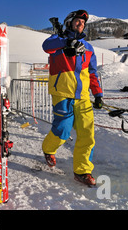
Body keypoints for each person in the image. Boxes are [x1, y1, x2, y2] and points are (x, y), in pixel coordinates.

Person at [41, 10, 103, 186]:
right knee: (62, 130)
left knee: (87, 134)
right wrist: (66, 41)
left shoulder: (88, 48)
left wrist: (98, 94)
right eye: (77, 21)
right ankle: (48, 149)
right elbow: (46, 45)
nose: (80, 24)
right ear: (69, 22)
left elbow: (92, 73)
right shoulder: (56, 42)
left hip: (82, 97)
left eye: (83, 23)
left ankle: (82, 171)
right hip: (62, 93)